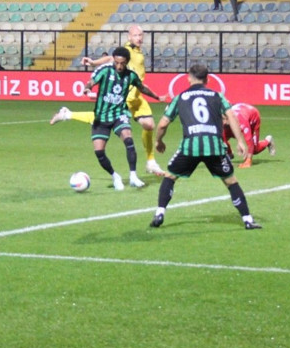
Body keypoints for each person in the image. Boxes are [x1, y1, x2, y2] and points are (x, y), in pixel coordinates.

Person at [149, 64, 261, 230]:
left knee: (170, 177)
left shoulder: (180, 97)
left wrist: (158, 141)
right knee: (231, 182)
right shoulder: (217, 96)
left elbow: (163, 124)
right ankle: (247, 219)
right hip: (214, 147)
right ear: (207, 79)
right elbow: (231, 117)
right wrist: (240, 141)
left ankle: (159, 213)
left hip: (190, 147)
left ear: (188, 78)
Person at [53, 24, 166, 176]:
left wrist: (157, 96)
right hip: (126, 95)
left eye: (140, 35)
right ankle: (67, 114)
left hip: (137, 96)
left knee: (149, 125)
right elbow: (110, 59)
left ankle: (151, 162)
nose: (138, 38)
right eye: (135, 35)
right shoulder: (128, 50)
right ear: (129, 36)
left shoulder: (138, 52)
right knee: (106, 116)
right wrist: (93, 63)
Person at [78, 46, 165, 190]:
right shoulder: (105, 70)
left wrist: (157, 97)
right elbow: (92, 81)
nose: (119, 66)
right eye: (117, 62)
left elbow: (142, 88)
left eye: (122, 63)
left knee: (128, 139)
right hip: (101, 116)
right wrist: (88, 88)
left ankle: (133, 176)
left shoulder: (131, 75)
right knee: (99, 152)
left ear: (127, 62)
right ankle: (115, 176)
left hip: (120, 114)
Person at [222, 102, 275, 168]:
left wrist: (248, 160)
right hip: (240, 110)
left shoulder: (241, 121)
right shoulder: (223, 121)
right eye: (221, 119)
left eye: (224, 119)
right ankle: (230, 154)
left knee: (255, 150)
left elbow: (249, 140)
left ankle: (268, 141)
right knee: (221, 135)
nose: (222, 122)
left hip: (253, 117)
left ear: (229, 118)